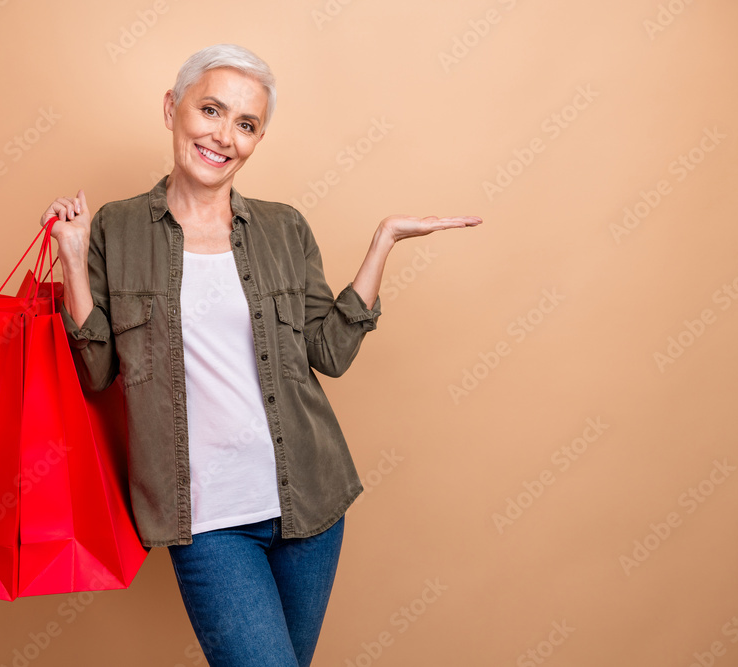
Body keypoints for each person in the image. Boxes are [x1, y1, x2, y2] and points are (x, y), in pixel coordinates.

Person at [40, 43, 481, 667]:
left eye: (245, 124)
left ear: (258, 138)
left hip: (310, 503)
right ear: (173, 109)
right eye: (211, 110)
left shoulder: (283, 228)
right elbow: (97, 370)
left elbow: (328, 352)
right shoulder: (117, 227)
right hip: (207, 520)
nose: (224, 136)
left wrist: (382, 243)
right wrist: (72, 258)